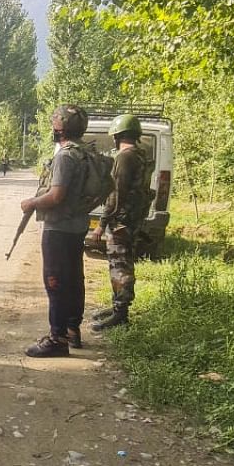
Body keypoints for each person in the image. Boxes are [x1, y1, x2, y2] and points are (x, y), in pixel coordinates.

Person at [17, 104, 91, 357]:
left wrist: (31, 203)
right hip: (78, 226)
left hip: (59, 229)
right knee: (74, 279)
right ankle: (72, 330)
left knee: (55, 281)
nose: (52, 128)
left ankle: (57, 338)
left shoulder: (64, 156)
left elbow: (56, 195)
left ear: (61, 127)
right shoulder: (85, 153)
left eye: (54, 124)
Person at [91, 115, 152, 331]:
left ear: (116, 136)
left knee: (120, 266)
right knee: (121, 263)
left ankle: (121, 314)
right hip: (133, 220)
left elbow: (116, 195)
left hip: (121, 222)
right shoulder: (141, 156)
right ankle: (117, 307)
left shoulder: (125, 158)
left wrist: (101, 224)